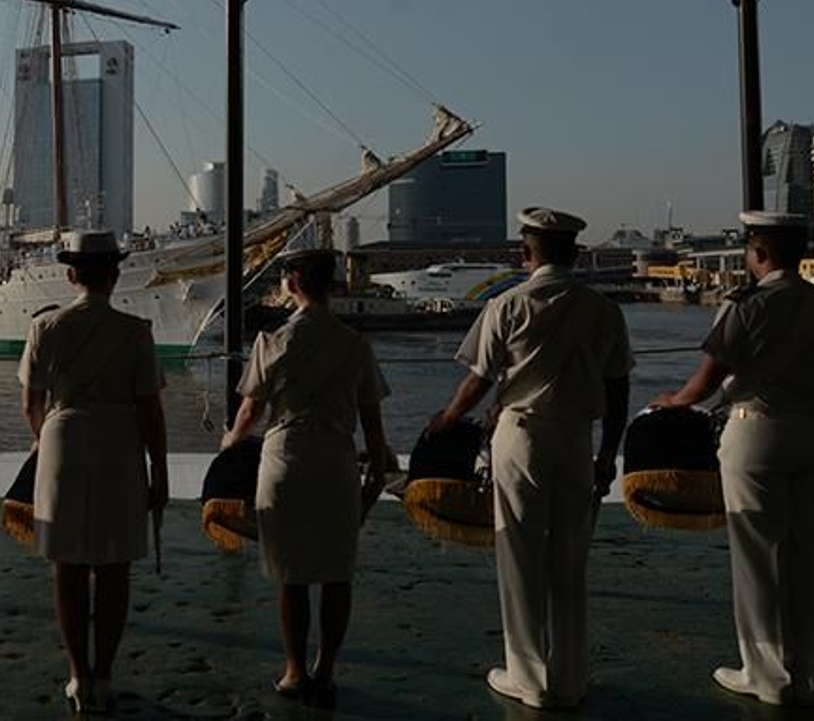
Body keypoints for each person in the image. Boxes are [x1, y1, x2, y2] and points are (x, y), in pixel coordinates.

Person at [650, 211, 814, 707]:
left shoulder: (744, 306)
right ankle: (803, 670)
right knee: (808, 558)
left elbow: (704, 383)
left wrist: (672, 401)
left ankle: (765, 675)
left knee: (757, 558)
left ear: (759, 254)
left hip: (757, 434)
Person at [425, 207, 631, 710]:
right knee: (570, 561)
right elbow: (619, 388)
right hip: (577, 440)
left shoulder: (508, 305)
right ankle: (570, 678)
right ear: (576, 253)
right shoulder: (604, 311)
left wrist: (448, 419)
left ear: (525, 253)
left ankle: (528, 678)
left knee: (518, 555)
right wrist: (609, 453)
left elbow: (478, 379)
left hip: (520, 435)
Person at [220, 248, 392, 707]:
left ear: (292, 285)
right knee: (337, 573)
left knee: (290, 575)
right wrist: (375, 471)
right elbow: (372, 422)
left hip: (286, 457)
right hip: (336, 458)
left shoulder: (272, 342)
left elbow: (250, 412)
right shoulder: (356, 345)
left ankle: (295, 670)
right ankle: (326, 669)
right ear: (331, 285)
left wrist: (229, 447)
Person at [19, 230, 168, 714]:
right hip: (120, 442)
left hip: (62, 437)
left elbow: (30, 402)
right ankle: (105, 673)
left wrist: (48, 439)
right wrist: (160, 468)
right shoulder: (135, 331)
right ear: (115, 274)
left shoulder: (45, 327)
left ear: (70, 275)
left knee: (66, 563)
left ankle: (78, 676)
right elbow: (150, 409)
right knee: (113, 564)